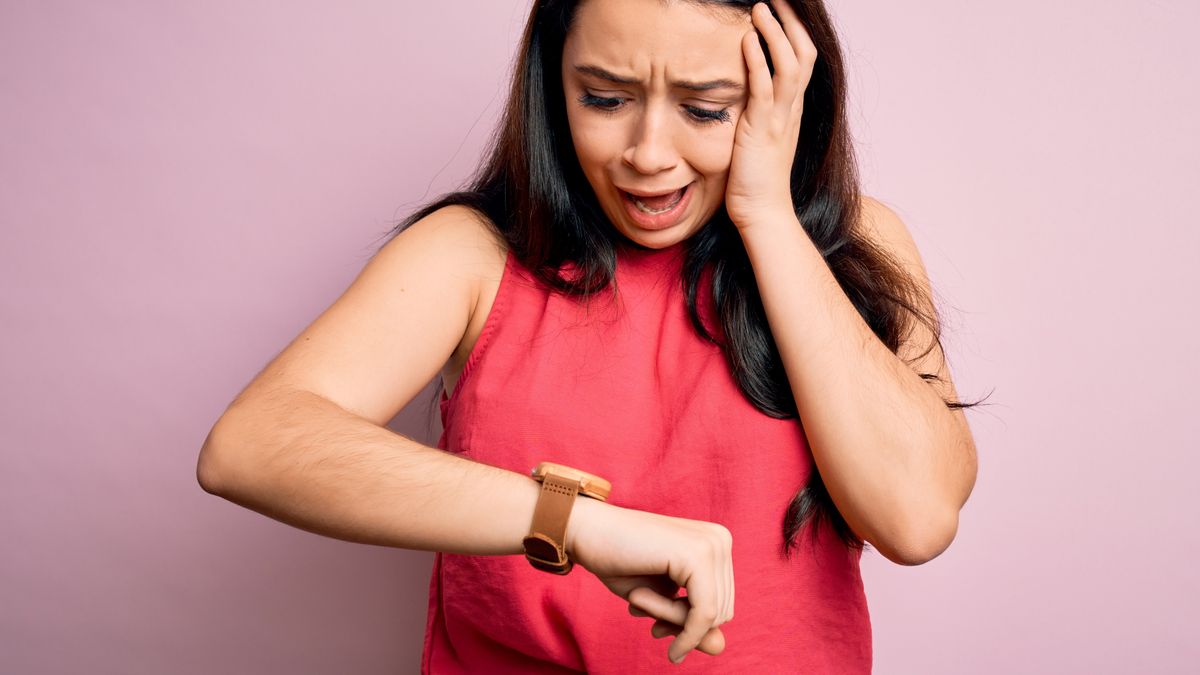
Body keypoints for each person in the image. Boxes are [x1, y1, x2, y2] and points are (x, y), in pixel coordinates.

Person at [197, 0, 982, 671]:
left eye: (707, 109)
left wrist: (769, 214)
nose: (647, 155)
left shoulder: (853, 243)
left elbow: (915, 518)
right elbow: (249, 444)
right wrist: (573, 522)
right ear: (554, 83)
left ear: (782, 97)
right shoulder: (472, 256)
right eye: (604, 99)